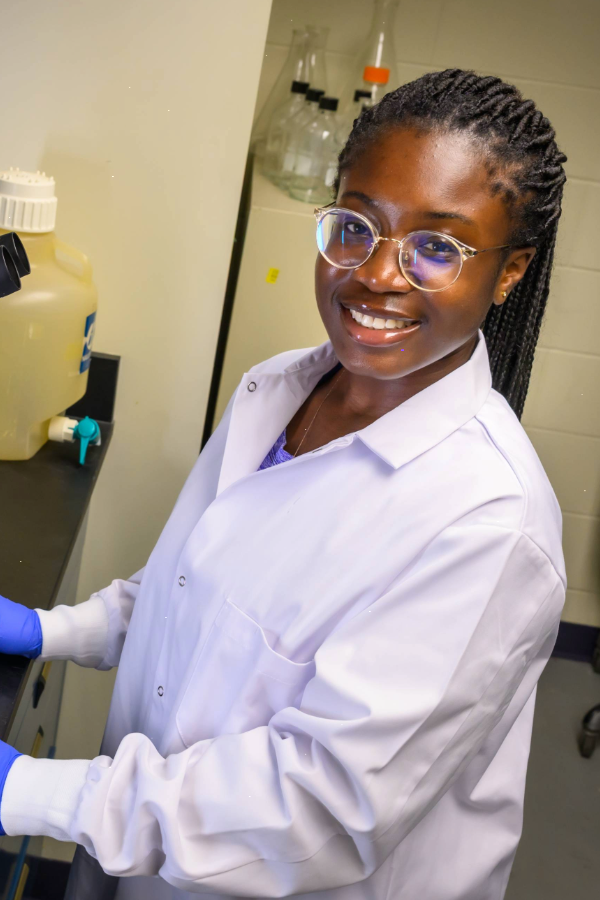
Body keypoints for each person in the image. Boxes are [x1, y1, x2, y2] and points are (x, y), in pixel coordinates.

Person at [0, 69, 567, 900]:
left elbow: (319, 810)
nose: (377, 274)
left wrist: (25, 790)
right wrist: (53, 632)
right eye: (355, 227)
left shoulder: (487, 524)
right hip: (143, 863)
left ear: (510, 272)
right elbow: (197, 593)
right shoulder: (279, 390)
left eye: (436, 247)